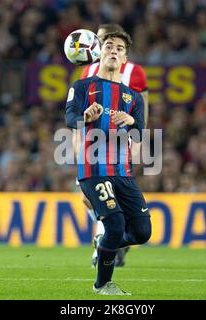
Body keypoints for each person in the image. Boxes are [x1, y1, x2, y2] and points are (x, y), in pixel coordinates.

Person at [65, 30, 151, 295]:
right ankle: (102, 284)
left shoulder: (133, 98)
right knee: (114, 223)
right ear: (98, 52)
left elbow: (139, 135)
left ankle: (104, 242)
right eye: (109, 46)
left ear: (125, 58)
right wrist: (86, 117)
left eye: (120, 48)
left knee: (142, 232)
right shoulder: (82, 87)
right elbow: (70, 119)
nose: (114, 51)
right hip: (93, 171)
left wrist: (132, 122)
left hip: (123, 173)